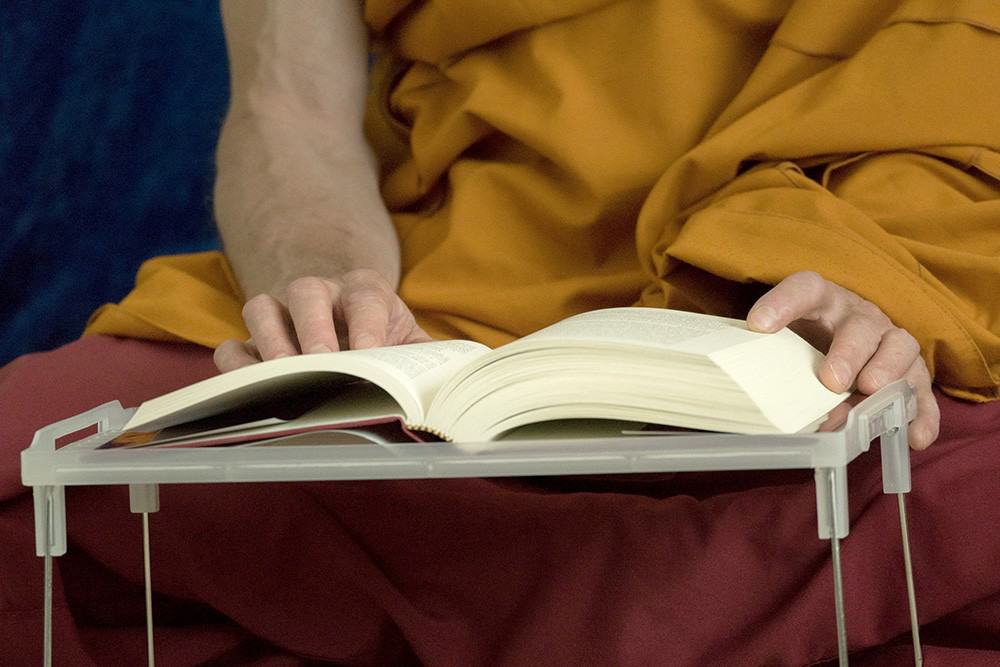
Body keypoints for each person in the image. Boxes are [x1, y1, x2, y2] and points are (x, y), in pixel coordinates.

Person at [6, 1, 1000, 664]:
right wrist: (328, 282)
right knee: (29, 458)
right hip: (433, 277)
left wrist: (864, 281)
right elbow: (287, 108)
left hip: (814, 276)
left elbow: (954, 67)